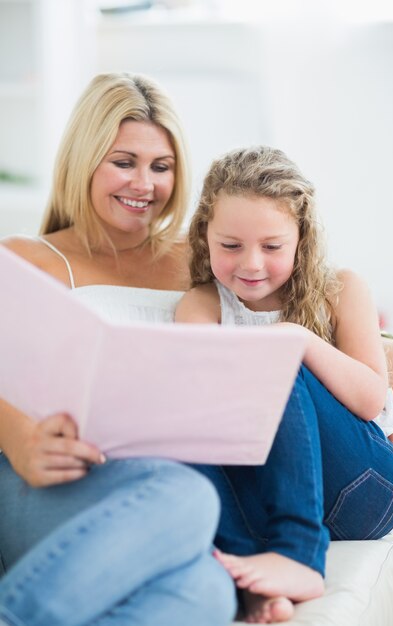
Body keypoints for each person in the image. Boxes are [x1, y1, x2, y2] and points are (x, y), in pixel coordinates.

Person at [0, 72, 236, 626]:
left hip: (161, 485)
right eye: (124, 161)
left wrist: (386, 347)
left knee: (207, 593)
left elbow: (294, 296)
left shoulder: (200, 259)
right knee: (189, 497)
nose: (144, 183)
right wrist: (19, 439)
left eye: (162, 166)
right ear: (85, 159)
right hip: (47, 479)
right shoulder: (23, 258)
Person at [175, 145, 393, 623]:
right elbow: (200, 405)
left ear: (301, 239)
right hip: (262, 500)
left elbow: (370, 400)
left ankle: (300, 554)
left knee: (274, 359)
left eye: (272, 246)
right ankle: (254, 583)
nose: (251, 263)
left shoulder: (340, 289)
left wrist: (295, 338)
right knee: (181, 428)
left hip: (365, 486)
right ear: (205, 236)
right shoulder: (202, 305)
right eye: (230, 245)